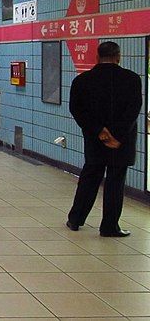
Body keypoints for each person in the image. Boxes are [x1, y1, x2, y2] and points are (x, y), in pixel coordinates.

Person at [67, 41, 141, 237]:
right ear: (118, 57)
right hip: (120, 142)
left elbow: (76, 109)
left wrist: (99, 131)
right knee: (115, 183)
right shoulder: (132, 79)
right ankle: (109, 226)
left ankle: (76, 219)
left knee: (90, 178)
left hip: (95, 140)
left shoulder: (82, 80)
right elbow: (133, 110)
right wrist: (116, 135)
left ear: (97, 57)